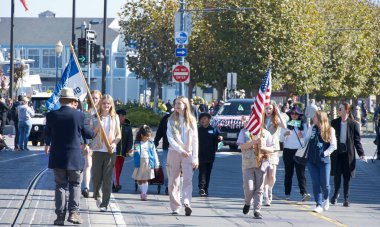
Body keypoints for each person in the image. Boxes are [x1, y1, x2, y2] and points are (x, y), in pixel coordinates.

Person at [44, 87, 94, 225]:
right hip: (74, 157)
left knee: (60, 185)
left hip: (58, 157)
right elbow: (89, 134)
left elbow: (46, 134)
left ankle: (59, 217)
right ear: (73, 101)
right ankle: (74, 213)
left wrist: (48, 143)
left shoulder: (51, 115)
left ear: (61, 101)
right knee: (75, 184)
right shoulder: (79, 116)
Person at [237, 116, 274, 219]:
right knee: (249, 188)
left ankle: (257, 210)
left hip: (261, 164)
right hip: (248, 164)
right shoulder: (244, 132)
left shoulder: (266, 133)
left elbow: (272, 148)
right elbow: (242, 147)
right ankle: (247, 202)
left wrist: (264, 147)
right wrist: (254, 142)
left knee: (259, 188)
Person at [166, 96, 198, 216]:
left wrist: (195, 157)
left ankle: (186, 202)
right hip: (174, 152)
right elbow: (170, 138)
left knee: (188, 179)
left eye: (180, 103)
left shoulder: (191, 120)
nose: (177, 105)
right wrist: (180, 150)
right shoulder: (171, 120)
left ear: (185, 105)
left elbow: (195, 140)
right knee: (173, 180)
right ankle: (175, 206)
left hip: (188, 153)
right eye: (176, 103)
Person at [330, 103, 366, 207]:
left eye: (340, 108)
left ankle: (346, 198)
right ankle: (336, 194)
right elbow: (329, 138)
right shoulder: (334, 122)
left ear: (347, 111)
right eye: (338, 108)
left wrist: (361, 154)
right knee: (337, 175)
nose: (339, 110)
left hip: (348, 154)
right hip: (337, 153)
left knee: (347, 176)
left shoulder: (353, 124)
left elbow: (357, 141)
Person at [91, 94, 121, 212]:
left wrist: (114, 144)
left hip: (110, 151)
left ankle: (104, 203)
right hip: (98, 150)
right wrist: (97, 125)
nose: (106, 105)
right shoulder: (95, 116)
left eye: (108, 103)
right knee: (96, 177)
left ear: (111, 105)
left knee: (107, 179)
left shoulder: (115, 117)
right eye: (104, 103)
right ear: (100, 104)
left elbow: (118, 134)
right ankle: (97, 193)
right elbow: (92, 133)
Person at [305, 110, 337, 213]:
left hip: (324, 161)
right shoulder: (312, 128)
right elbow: (305, 140)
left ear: (320, 118)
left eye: (314, 116)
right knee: (315, 183)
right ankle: (318, 204)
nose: (313, 118)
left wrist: (325, 153)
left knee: (325, 184)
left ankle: (326, 198)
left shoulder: (330, 130)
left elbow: (333, 146)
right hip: (311, 160)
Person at [280, 106, 311, 201]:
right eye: (292, 113)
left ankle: (304, 193)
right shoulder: (286, 124)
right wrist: (285, 135)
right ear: (289, 114)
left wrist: (301, 136)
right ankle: (287, 193)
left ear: (299, 115)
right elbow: (281, 139)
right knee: (288, 173)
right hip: (288, 151)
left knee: (300, 173)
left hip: (299, 151)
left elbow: (306, 139)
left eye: (296, 113)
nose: (294, 115)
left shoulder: (303, 125)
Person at [81, 90, 102, 198]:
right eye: (93, 98)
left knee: (97, 166)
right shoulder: (86, 112)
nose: (94, 100)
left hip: (100, 143)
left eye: (96, 98)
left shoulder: (103, 113)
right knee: (88, 163)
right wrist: (85, 142)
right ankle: (86, 187)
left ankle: (97, 189)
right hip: (88, 142)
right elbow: (84, 128)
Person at [197, 112, 222, 197]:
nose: (203, 120)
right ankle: (202, 188)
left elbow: (218, 138)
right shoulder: (198, 130)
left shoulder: (213, 130)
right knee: (202, 171)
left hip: (210, 155)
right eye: (201, 119)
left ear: (209, 120)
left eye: (205, 118)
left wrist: (220, 138)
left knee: (208, 172)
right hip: (200, 155)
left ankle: (206, 188)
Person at [132, 125, 160, 201]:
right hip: (139, 163)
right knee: (139, 180)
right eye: (146, 136)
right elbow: (134, 153)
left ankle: (144, 194)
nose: (148, 138)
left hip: (148, 162)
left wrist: (157, 164)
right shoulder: (137, 143)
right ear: (142, 135)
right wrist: (131, 153)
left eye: (149, 136)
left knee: (145, 179)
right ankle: (143, 191)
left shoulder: (151, 144)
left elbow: (154, 154)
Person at [262, 101, 281, 206]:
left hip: (273, 149)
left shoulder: (276, 119)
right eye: (266, 108)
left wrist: (278, 113)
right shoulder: (261, 119)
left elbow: (284, 125)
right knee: (264, 173)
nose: (268, 111)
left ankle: (270, 189)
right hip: (264, 148)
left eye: (270, 108)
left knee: (272, 175)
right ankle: (266, 195)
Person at [154, 103, 174, 195]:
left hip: (180, 150)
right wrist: (156, 142)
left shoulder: (184, 119)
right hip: (167, 147)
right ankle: (168, 185)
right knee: (165, 167)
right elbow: (160, 131)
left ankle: (175, 187)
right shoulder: (166, 119)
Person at [113, 109, 133, 192]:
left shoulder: (128, 127)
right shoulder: (113, 125)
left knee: (119, 169)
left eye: (122, 116)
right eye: (119, 116)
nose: (120, 118)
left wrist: (128, 149)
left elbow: (130, 140)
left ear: (125, 117)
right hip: (115, 151)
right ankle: (117, 184)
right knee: (116, 168)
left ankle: (114, 183)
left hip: (123, 152)